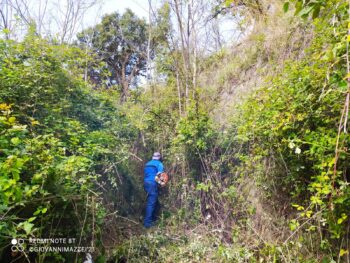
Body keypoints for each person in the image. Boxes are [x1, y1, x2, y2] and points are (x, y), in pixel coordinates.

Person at [143, 152, 164, 228]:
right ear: (159, 158)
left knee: (153, 201)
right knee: (151, 203)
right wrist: (161, 183)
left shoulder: (147, 164)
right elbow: (160, 176)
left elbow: (147, 174)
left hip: (146, 183)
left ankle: (153, 218)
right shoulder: (159, 164)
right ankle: (147, 223)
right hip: (152, 184)